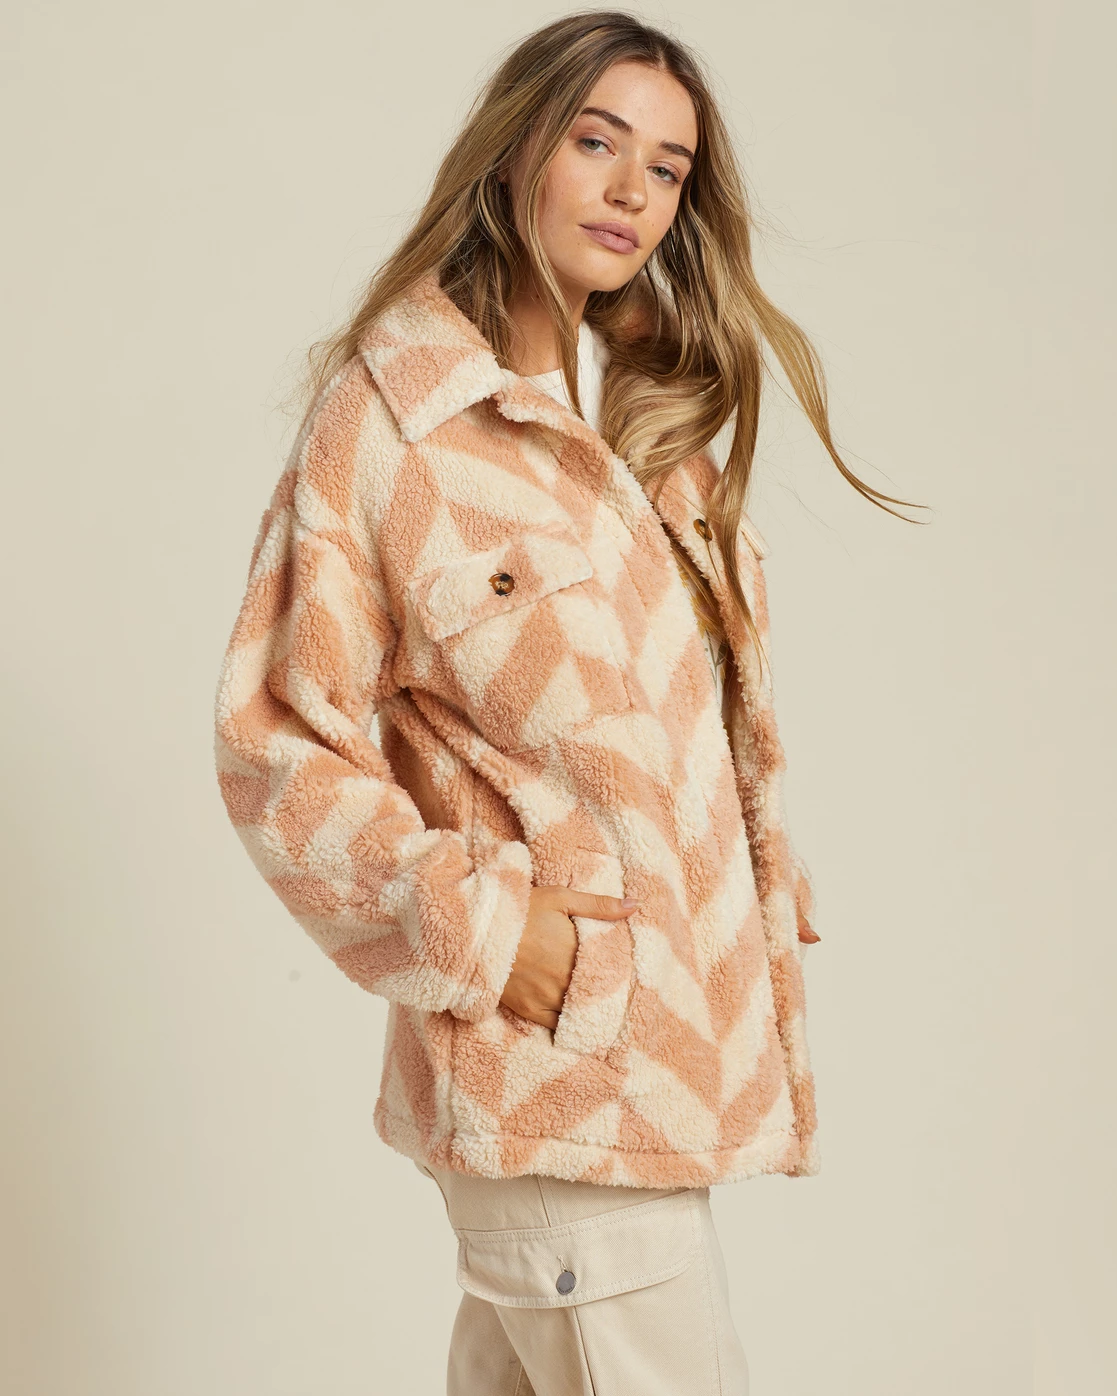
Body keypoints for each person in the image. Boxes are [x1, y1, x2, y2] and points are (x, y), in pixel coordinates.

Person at [213, 12, 906, 1394]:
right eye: (598, 142)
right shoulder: (397, 419)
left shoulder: (646, 431)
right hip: (554, 1077)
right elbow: (277, 745)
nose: (632, 190)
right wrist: (489, 933)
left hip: (658, 1072)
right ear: (517, 147)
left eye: (668, 168)